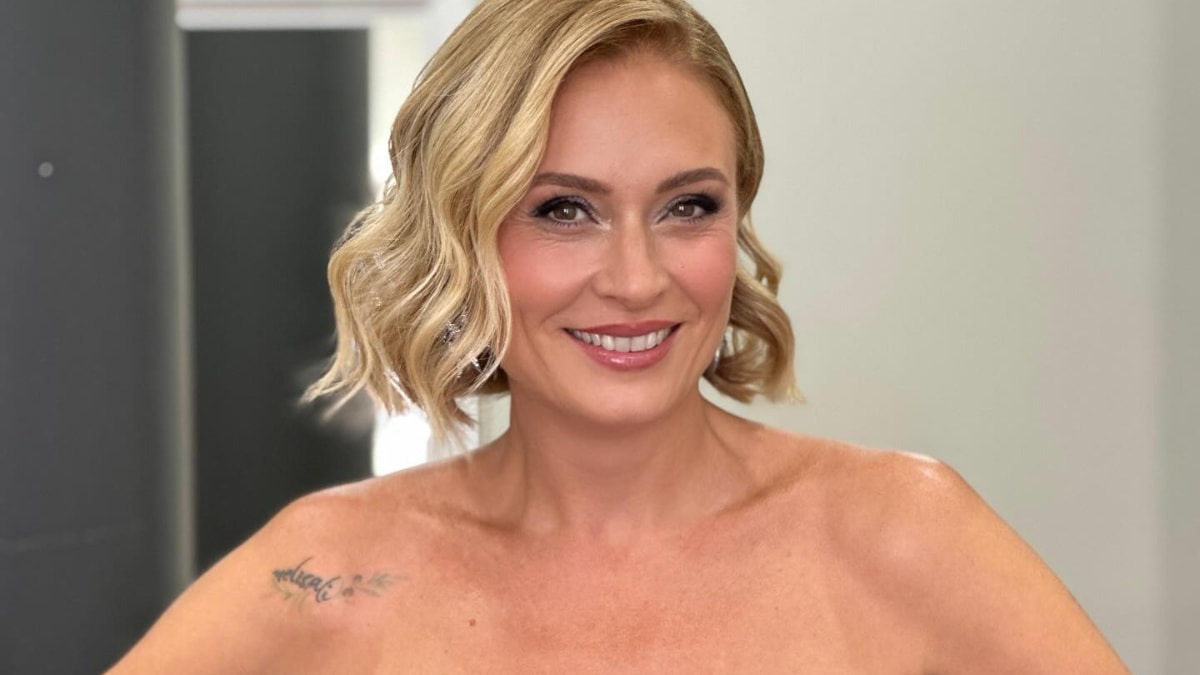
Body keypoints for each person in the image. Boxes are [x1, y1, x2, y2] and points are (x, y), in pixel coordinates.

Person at [108, 0, 1131, 672]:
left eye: (689, 206)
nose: (638, 279)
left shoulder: (904, 535)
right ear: (462, 234)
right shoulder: (333, 572)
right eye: (564, 210)